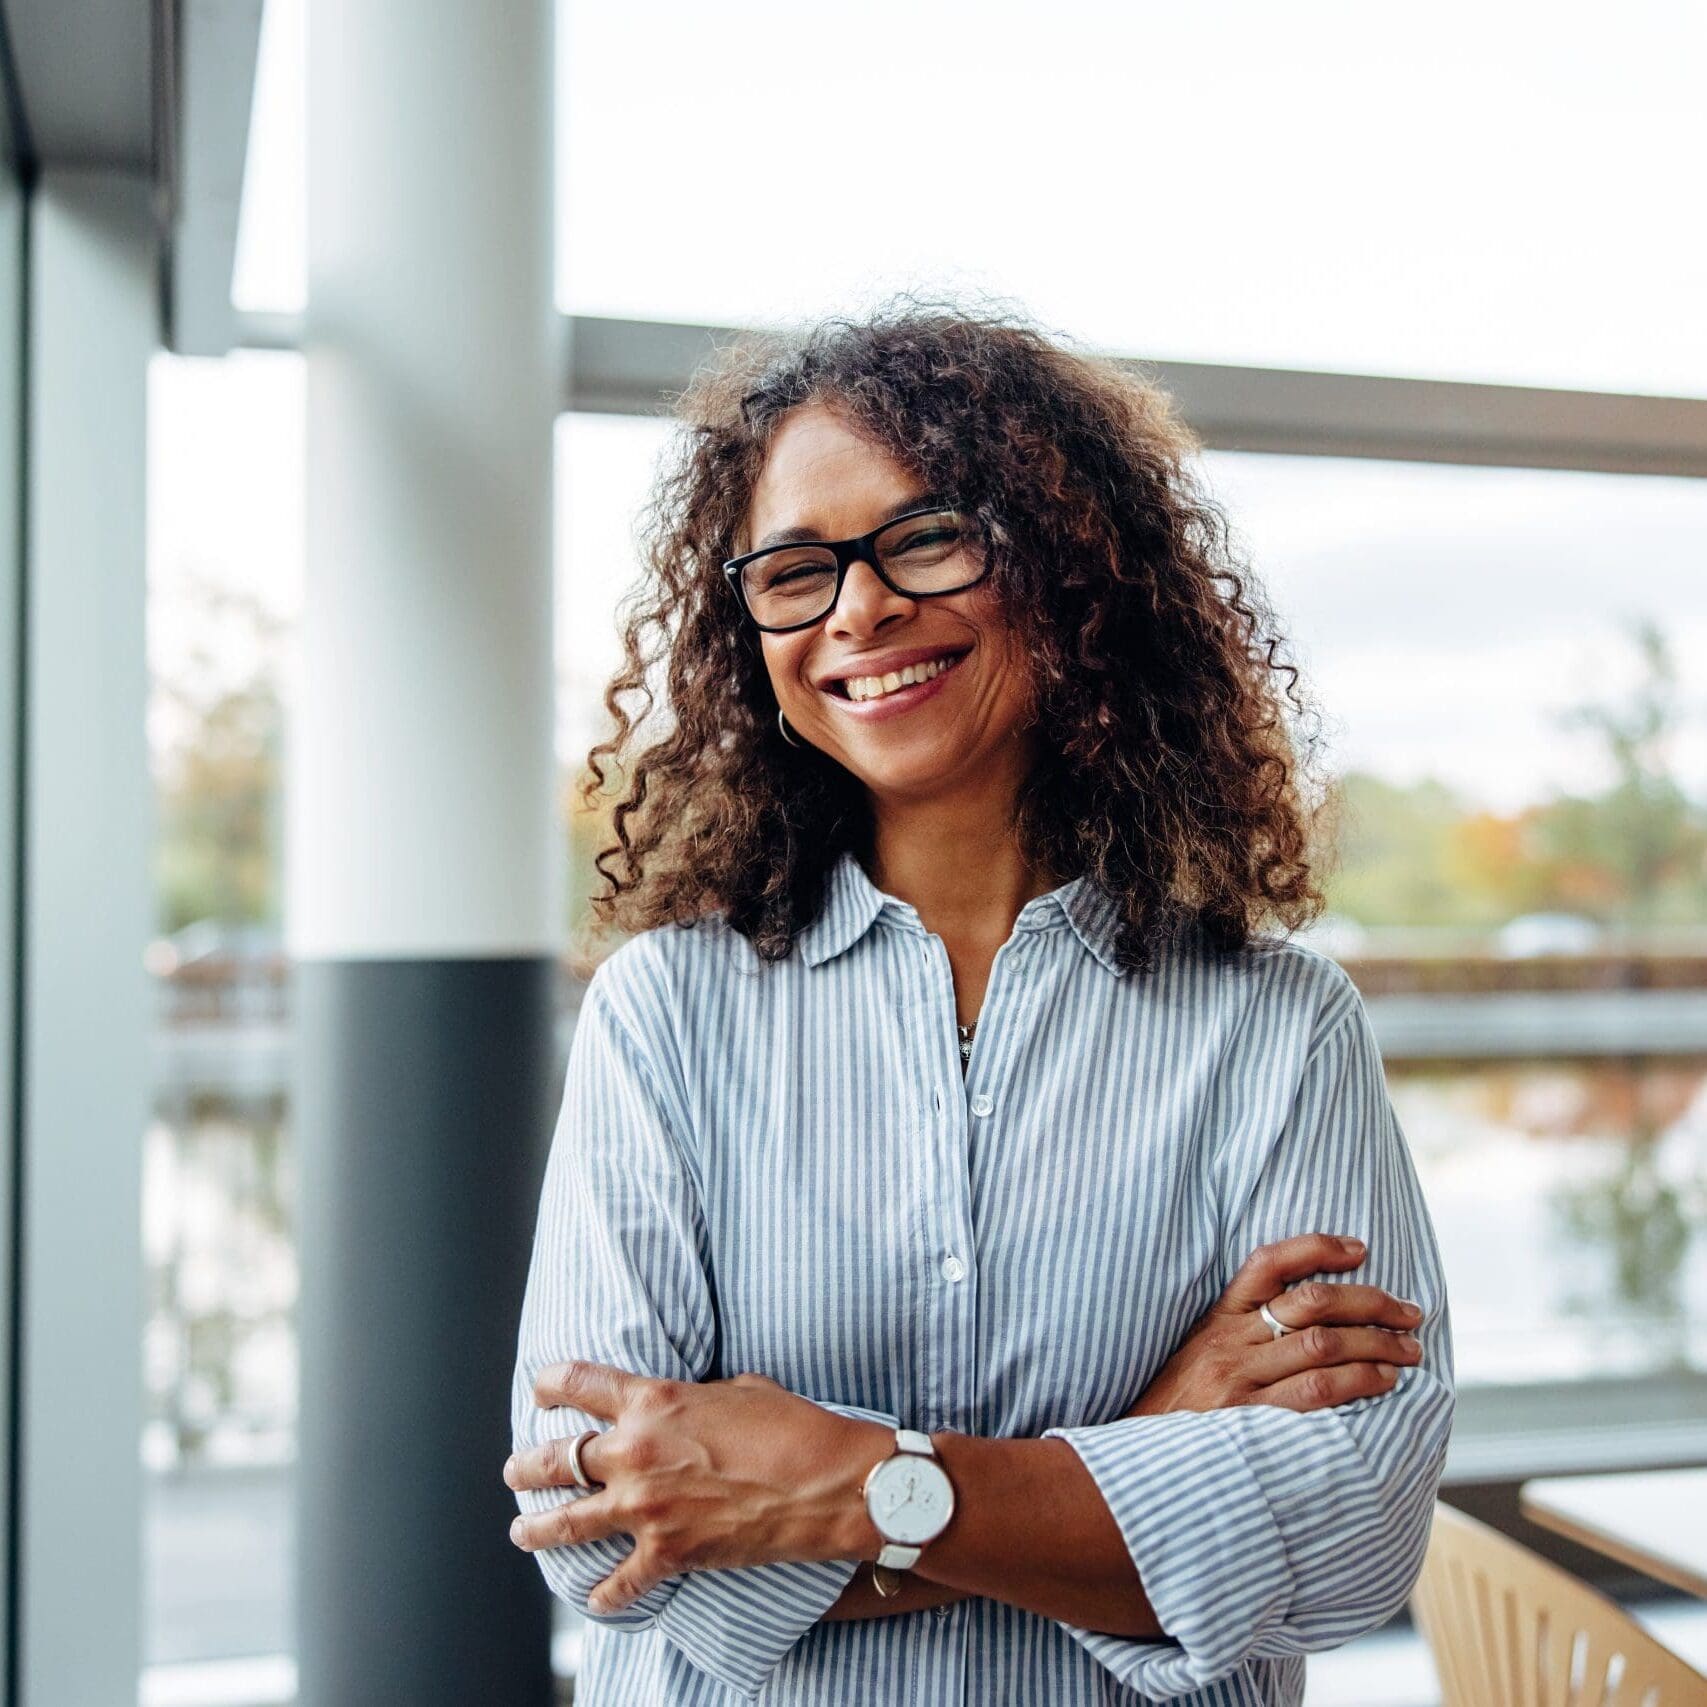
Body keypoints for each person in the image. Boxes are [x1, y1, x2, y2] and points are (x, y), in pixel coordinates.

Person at [504, 301, 1455, 1705]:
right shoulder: (666, 1016)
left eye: (927, 538)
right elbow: (605, 1542)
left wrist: (838, 1491)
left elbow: (1355, 1530)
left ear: (1072, 572)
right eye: (795, 571)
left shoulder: (1278, 1028)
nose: (859, 608)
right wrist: (1144, 1457)